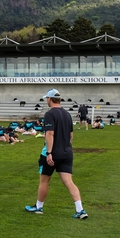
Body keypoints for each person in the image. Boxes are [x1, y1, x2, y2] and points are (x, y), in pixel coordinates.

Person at [25, 89, 88, 219]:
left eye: (46, 98)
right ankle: (80, 210)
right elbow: (71, 135)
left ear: (50, 99)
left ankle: (39, 207)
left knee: (44, 181)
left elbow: (50, 134)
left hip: (52, 153)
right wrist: (66, 148)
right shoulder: (67, 114)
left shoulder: (50, 114)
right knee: (69, 182)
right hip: (66, 153)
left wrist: (49, 153)